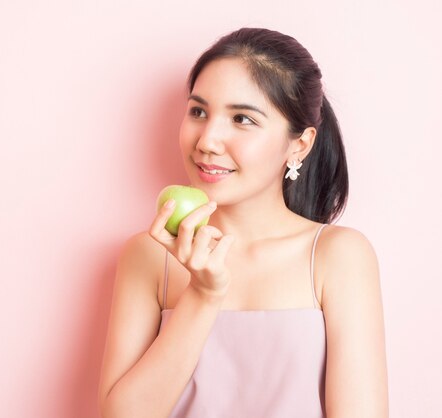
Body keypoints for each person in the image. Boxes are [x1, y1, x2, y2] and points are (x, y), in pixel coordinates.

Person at [98, 28, 388, 418]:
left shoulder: (337, 256)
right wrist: (203, 295)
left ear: (299, 144)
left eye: (242, 119)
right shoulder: (148, 255)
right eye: (198, 111)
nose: (208, 140)